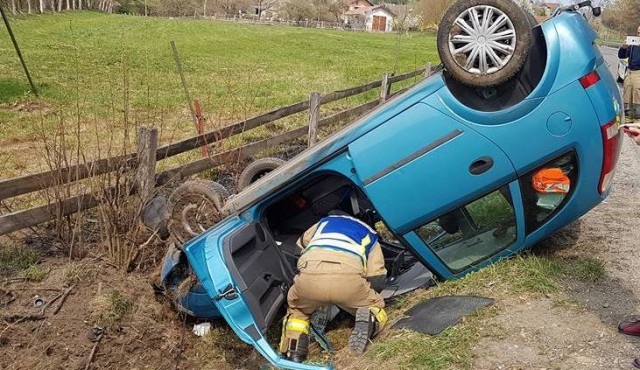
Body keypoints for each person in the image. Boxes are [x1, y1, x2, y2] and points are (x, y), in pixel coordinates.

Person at [279, 210, 388, 363]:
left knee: (298, 311)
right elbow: (377, 278)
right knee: (375, 306)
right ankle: (370, 318)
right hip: (348, 279)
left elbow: (298, 248)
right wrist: (367, 294)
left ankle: (294, 352)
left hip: (311, 277)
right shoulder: (369, 233)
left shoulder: (323, 223)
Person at [619, 25, 640, 120]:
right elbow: (622, 56)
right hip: (630, 72)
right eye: (638, 33)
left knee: (637, 98)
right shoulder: (632, 44)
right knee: (627, 97)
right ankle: (627, 121)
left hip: (638, 74)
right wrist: (623, 48)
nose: (639, 35)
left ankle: (637, 122)